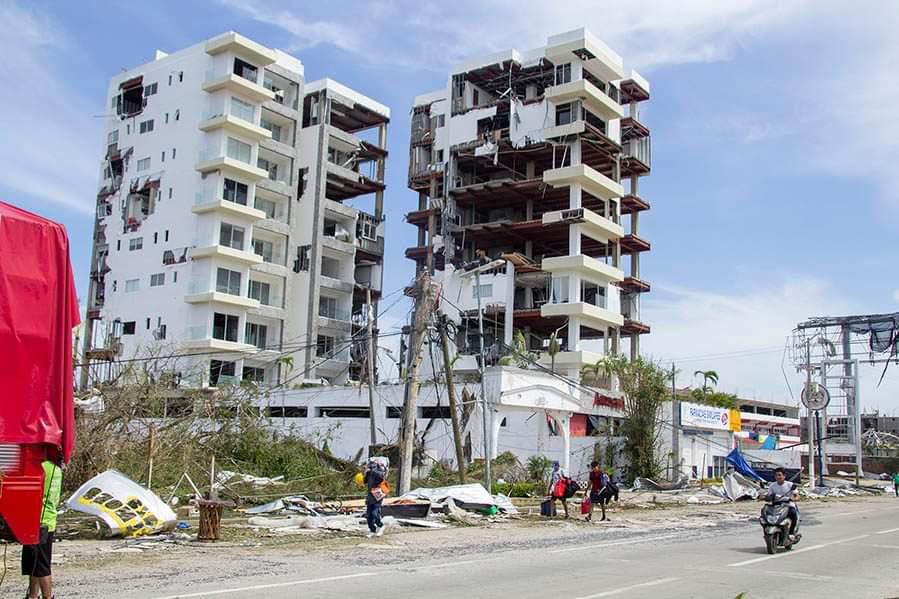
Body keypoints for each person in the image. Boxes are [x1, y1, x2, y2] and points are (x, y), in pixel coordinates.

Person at [23, 452, 63, 599]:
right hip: (46, 521)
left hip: (39, 521)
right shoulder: (56, 469)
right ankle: (32, 596)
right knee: (35, 565)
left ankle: (47, 596)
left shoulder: (43, 467)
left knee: (42, 566)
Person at [766, 467, 800, 537]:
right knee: (764, 513)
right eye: (776, 475)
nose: (778, 477)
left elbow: (797, 496)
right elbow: (768, 495)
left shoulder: (790, 485)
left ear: (784, 476)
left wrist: (793, 499)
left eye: (779, 475)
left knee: (793, 513)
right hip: (776, 505)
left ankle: (791, 532)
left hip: (788, 505)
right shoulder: (772, 485)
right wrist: (765, 497)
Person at [363, 458, 388, 538]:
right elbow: (365, 481)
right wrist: (365, 474)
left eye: (372, 465)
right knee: (368, 515)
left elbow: (381, 477)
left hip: (378, 494)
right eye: (370, 465)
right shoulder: (369, 473)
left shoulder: (380, 471)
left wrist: (372, 471)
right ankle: (372, 530)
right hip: (370, 494)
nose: (371, 466)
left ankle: (380, 525)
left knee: (374, 513)